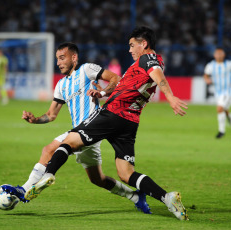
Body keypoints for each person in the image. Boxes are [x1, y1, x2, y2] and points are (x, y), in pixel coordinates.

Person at [25, 27, 189, 221]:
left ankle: (48, 174)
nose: (129, 50)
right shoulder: (141, 65)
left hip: (112, 114)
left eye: (132, 45)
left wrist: (170, 97)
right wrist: (101, 93)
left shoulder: (148, 60)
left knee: (69, 142)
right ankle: (167, 198)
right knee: (126, 173)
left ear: (143, 44)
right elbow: (124, 88)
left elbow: (158, 75)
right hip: (130, 121)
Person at [2, 42, 151, 214]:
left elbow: (115, 79)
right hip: (79, 134)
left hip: (93, 128)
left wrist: (102, 92)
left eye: (62, 58)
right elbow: (51, 115)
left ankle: (24, 189)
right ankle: (135, 196)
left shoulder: (87, 70)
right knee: (98, 179)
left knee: (49, 150)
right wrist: (34, 119)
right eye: (57, 59)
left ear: (74, 58)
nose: (59, 62)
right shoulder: (61, 85)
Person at [204, 47, 231, 139]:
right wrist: (207, 80)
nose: (219, 55)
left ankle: (221, 131)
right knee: (225, 112)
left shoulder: (230, 64)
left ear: (224, 55)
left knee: (219, 108)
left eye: (220, 53)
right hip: (218, 92)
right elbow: (205, 75)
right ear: (214, 55)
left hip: (227, 91)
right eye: (217, 53)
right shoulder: (210, 65)